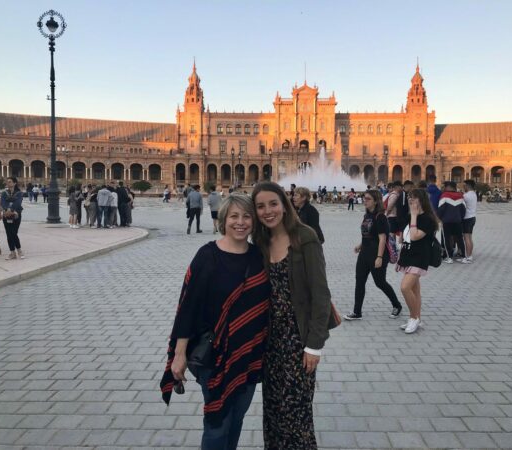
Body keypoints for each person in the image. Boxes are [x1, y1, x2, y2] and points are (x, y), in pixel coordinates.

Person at [162, 193, 270, 450]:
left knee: (237, 418)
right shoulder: (207, 256)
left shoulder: (259, 257)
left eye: (246, 217)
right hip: (214, 357)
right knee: (217, 422)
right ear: (223, 220)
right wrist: (179, 354)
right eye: (234, 216)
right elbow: (187, 308)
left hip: (248, 355)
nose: (240, 222)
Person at [252, 181, 338, 449]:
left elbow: (321, 293)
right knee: (273, 410)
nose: (268, 211)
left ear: (285, 204)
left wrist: (314, 346)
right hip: (271, 341)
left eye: (273, 204)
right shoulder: (261, 241)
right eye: (260, 206)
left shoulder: (305, 237)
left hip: (298, 340)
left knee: (297, 415)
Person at [344, 189, 402, 320]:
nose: (365, 201)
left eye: (368, 199)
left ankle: (397, 305)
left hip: (377, 254)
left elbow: (382, 239)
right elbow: (368, 234)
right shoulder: (367, 215)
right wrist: (360, 245)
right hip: (364, 253)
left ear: (376, 201)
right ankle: (357, 312)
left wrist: (379, 257)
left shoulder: (380, 217)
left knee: (380, 282)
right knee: (359, 282)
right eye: (364, 198)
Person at [396, 188, 439, 334]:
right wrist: (400, 258)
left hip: (419, 258)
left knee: (405, 288)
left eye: (414, 197)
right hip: (408, 256)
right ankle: (416, 318)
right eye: (409, 197)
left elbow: (415, 236)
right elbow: (405, 239)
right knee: (415, 290)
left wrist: (414, 215)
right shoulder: (409, 217)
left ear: (422, 201)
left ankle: (414, 318)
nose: (410, 199)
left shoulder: (428, 219)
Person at [437, 181, 466, 263]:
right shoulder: (460, 196)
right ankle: (463, 257)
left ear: (449, 187)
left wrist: (439, 218)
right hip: (458, 221)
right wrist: (460, 218)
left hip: (446, 221)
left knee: (447, 239)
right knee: (460, 239)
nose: (444, 188)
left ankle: (449, 257)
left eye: (445, 186)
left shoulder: (444, 196)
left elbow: (440, 209)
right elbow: (463, 209)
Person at [1, 177, 24, 260]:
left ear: (14, 183)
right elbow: (3, 202)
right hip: (6, 215)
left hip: (16, 215)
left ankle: (19, 250)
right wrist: (7, 210)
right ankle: (12, 253)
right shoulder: (4, 193)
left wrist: (11, 210)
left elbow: (18, 203)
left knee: (13, 233)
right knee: (8, 234)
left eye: (10, 182)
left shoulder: (19, 193)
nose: (8, 183)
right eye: (7, 182)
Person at [462, 179, 477, 263]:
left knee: (466, 238)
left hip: (467, 218)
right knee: (470, 237)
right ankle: (470, 255)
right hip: (473, 217)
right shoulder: (474, 194)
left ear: (467, 186)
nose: (463, 187)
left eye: (464, 186)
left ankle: (468, 257)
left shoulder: (466, 196)